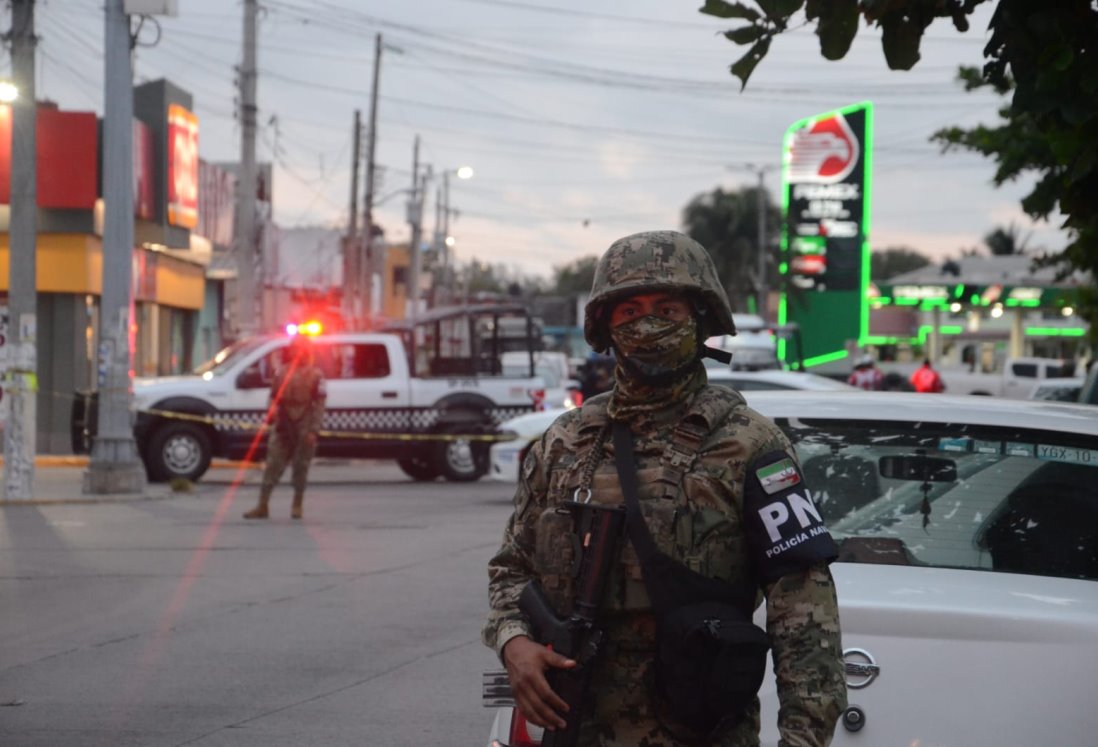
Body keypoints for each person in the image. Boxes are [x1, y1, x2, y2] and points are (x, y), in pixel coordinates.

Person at [483, 230, 846, 746]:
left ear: (700, 318)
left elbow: (803, 607)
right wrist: (513, 642)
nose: (646, 324)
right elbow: (510, 570)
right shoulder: (565, 442)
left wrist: (803, 738)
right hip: (576, 724)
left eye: (667, 309)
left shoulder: (748, 444)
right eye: (629, 311)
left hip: (698, 729)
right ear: (605, 327)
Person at [243, 334, 327, 520]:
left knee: (301, 465)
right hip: (283, 423)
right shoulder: (281, 373)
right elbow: (273, 397)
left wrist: (314, 429)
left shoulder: (316, 375)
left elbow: (319, 405)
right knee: (273, 463)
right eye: (295, 348)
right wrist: (271, 413)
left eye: (301, 348)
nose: (298, 352)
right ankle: (262, 505)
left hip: (304, 423)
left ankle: (297, 504)